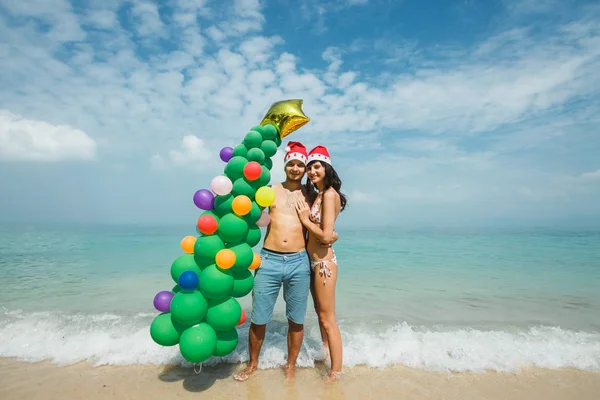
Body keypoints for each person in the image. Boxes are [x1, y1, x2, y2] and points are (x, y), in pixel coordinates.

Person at [233, 142, 338, 382]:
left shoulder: (311, 194)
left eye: (300, 164)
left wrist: (333, 235)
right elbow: (248, 215)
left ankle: (290, 366)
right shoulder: (270, 190)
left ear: (304, 168)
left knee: (296, 319)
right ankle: (253, 365)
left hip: (299, 262)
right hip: (268, 259)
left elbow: (326, 222)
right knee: (259, 318)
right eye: (291, 163)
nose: (296, 168)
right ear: (285, 165)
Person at [294, 145, 347, 382]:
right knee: (319, 312)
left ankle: (336, 371)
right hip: (313, 262)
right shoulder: (321, 194)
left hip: (324, 264)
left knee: (328, 318)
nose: (312, 171)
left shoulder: (331, 195)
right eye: (309, 167)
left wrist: (305, 220)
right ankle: (326, 355)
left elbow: (325, 236)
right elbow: (330, 232)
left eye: (317, 166)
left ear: (327, 167)